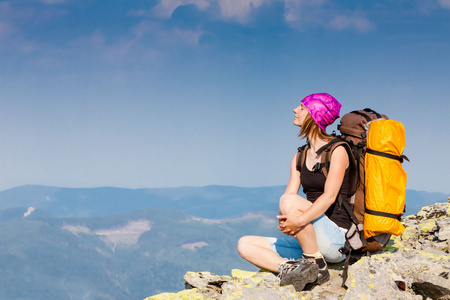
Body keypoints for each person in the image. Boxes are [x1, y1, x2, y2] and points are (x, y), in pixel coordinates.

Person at [237, 93, 352, 291]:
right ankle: (292, 268)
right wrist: (287, 221)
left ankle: (317, 266)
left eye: (301, 107)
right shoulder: (300, 156)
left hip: (336, 239)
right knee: (245, 244)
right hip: (312, 239)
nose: (294, 109)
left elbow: (329, 196)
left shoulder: (338, 150)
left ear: (315, 114)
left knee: (289, 202)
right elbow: (288, 197)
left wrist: (297, 221)